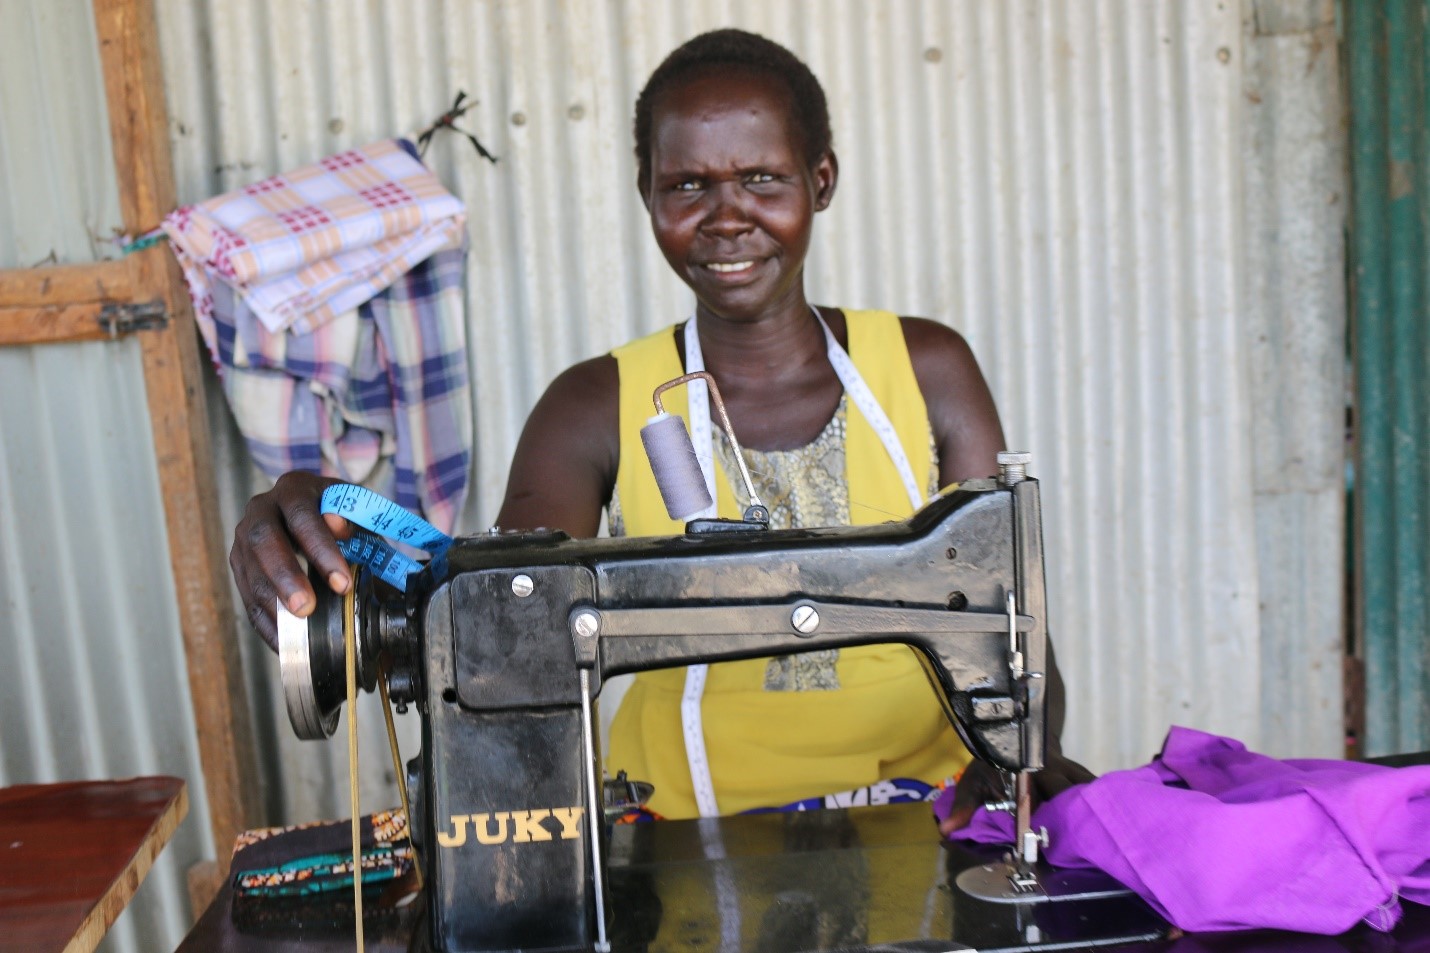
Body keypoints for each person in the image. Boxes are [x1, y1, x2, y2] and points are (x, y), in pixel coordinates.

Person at [231, 28, 1091, 827]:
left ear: (819, 182)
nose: (726, 217)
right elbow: (499, 625)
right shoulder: (592, 406)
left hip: (930, 813)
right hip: (678, 835)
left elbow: (1013, 622)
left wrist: (1021, 761)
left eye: (763, 179)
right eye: (688, 186)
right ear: (647, 194)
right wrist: (328, 521)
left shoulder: (928, 368)